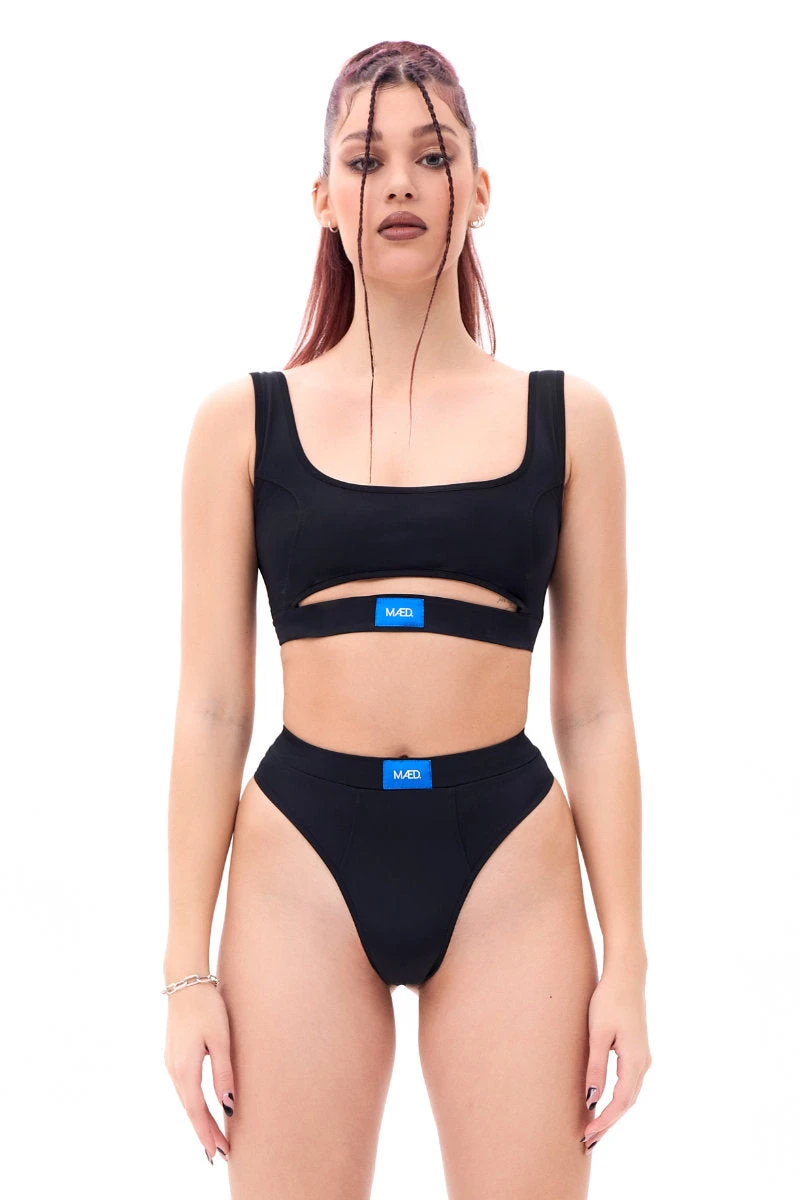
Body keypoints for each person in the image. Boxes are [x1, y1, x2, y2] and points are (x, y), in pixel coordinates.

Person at [162, 39, 651, 1198]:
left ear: (476, 189)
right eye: (364, 158)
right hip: (298, 859)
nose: (397, 182)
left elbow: (593, 708)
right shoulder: (240, 425)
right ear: (321, 197)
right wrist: (186, 976)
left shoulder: (569, 421)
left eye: (431, 156)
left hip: (507, 861)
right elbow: (213, 708)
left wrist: (626, 965)